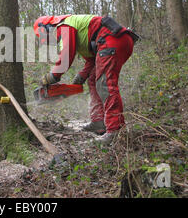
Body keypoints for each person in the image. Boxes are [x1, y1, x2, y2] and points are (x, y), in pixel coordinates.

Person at [33, 14, 139, 146]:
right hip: (115, 41)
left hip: (112, 40)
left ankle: (114, 129)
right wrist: (81, 76)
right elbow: (92, 59)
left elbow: (66, 55)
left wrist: (52, 76)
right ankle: (99, 122)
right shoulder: (75, 29)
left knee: (105, 84)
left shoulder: (64, 26)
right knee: (94, 80)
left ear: (47, 27)